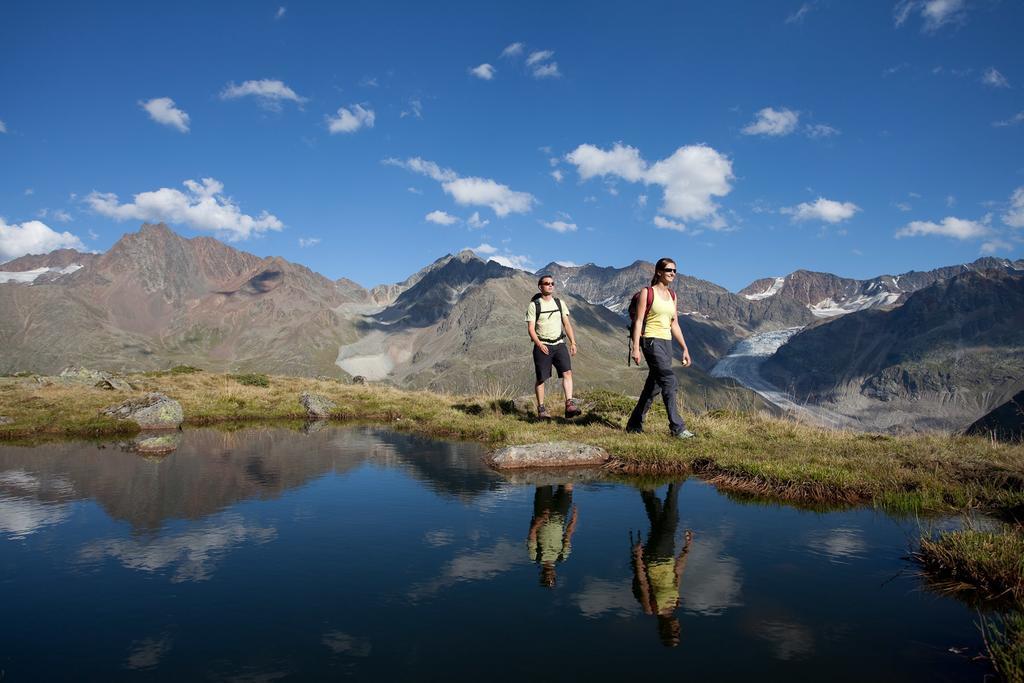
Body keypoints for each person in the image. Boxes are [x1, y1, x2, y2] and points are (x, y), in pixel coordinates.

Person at [626, 258, 695, 438]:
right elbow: (639, 321)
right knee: (669, 380)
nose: (672, 273)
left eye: (675, 271)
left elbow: (675, 324)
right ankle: (677, 427)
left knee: (654, 386)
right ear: (658, 272)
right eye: (669, 270)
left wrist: (685, 348)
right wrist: (635, 347)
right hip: (650, 341)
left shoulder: (673, 296)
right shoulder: (647, 293)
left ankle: (634, 424)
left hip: (666, 342)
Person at [630, 483, 694, 647]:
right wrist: (687, 548)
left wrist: (638, 557)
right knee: (657, 517)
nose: (676, 629)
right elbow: (677, 573)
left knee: (670, 524)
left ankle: (675, 485)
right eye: (678, 632)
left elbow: (642, 582)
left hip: (655, 558)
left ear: (663, 630)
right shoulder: (676, 602)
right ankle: (644, 487)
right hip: (668, 554)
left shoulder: (651, 608)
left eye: (672, 633)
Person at [525, 275, 581, 419]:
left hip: (559, 344)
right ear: (540, 286)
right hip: (542, 345)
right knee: (541, 378)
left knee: (567, 373)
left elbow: (567, 324)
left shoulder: (559, 303)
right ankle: (541, 409)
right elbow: (531, 328)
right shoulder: (534, 305)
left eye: (552, 283)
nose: (550, 285)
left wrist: (573, 342)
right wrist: (539, 344)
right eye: (546, 283)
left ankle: (569, 404)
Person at [527, 484, 579, 588]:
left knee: (543, 484)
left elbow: (532, 533)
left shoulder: (535, 557)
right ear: (555, 575)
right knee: (568, 486)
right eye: (551, 577)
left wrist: (540, 520)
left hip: (542, 514)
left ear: (541, 575)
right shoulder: (562, 557)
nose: (549, 575)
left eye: (546, 577)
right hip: (560, 516)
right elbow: (568, 534)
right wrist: (574, 519)